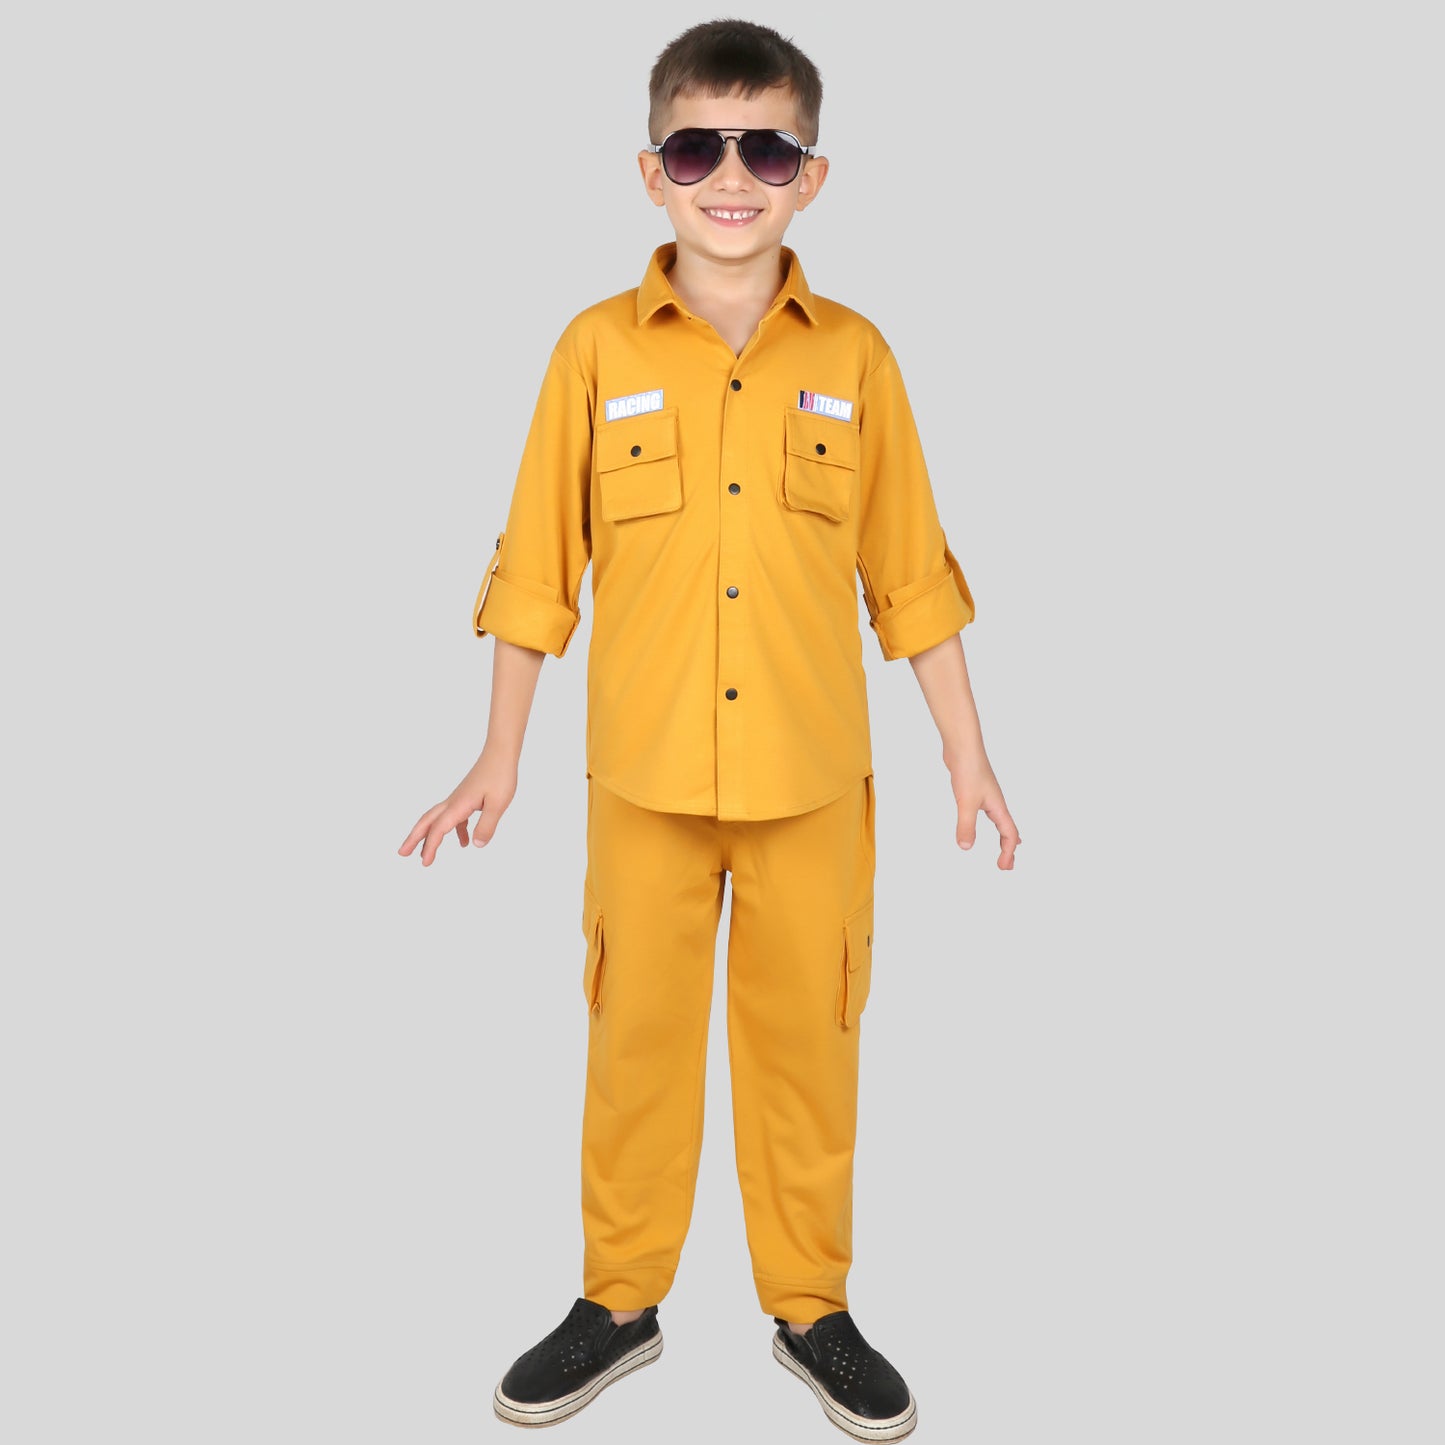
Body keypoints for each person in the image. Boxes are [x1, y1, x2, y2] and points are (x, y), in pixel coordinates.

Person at [399, 18, 1020, 1441]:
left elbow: (911, 575)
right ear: (650, 170)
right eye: (697, 148)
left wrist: (966, 751)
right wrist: (498, 753)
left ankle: (813, 1308)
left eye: (766, 150)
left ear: (813, 175)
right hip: (645, 782)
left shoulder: (856, 359)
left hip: (812, 783)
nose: (730, 176)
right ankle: (618, 1302)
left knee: (809, 1047)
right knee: (634, 1045)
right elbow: (537, 568)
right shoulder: (592, 349)